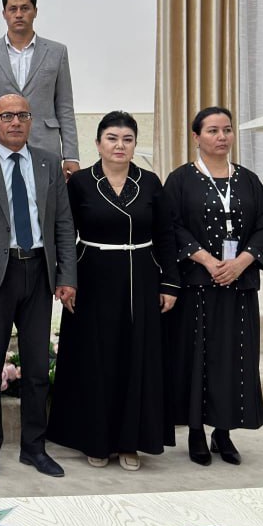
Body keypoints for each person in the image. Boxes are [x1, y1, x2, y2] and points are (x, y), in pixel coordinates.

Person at [47, 111, 180, 472]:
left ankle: (130, 442)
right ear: (98, 143)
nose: (120, 145)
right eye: (112, 138)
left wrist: (170, 283)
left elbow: (166, 235)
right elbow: (64, 234)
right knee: (96, 360)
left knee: (135, 359)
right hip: (91, 277)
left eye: (127, 139)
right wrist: (66, 280)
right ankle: (95, 439)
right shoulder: (80, 183)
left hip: (141, 279)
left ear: (135, 144)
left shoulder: (150, 182)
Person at [0, 93, 76, 479]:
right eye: (6, 116)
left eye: (22, 115)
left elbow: (63, 223)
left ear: (31, 120)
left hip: (39, 272)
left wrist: (66, 276)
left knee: (37, 368)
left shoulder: (48, 162)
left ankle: (34, 448)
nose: (15, 122)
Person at [162, 106, 263, 467]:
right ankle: (195, 431)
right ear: (196, 137)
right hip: (196, 284)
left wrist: (241, 262)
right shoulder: (180, 179)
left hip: (238, 286)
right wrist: (208, 260)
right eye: (212, 130)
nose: (221, 137)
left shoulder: (248, 180)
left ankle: (223, 432)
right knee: (196, 357)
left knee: (233, 358)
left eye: (226, 130)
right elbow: (172, 226)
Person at [0, 0, 79, 178]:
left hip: (44, 143)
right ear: (4, 14)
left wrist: (71, 155)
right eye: (13, 9)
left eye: (25, 8)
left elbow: (64, 106)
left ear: (35, 11)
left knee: (45, 196)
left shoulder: (57, 52)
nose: (19, 14)